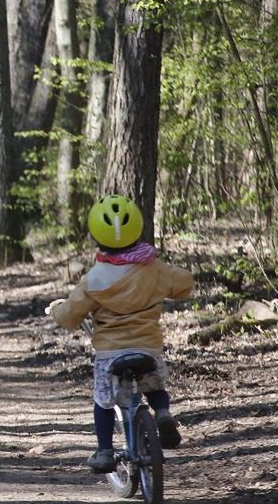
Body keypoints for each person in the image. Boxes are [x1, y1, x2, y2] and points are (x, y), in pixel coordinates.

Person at [48, 195, 194, 473]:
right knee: (154, 386)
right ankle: (162, 414)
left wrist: (56, 311)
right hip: (147, 347)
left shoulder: (93, 279)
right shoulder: (154, 268)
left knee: (103, 401)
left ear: (96, 236)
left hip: (110, 353)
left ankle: (104, 450)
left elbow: (69, 316)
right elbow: (185, 283)